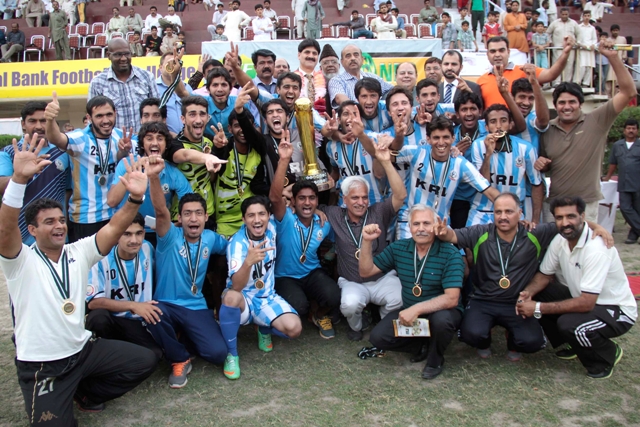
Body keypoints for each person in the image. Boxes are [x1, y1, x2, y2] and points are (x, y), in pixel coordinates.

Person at [0, 138, 157, 425]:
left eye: (61, 220)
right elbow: (5, 227)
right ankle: (62, 394)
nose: (59, 225)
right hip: (43, 365)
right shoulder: (19, 260)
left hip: (83, 352)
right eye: (49, 222)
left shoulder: (78, 251)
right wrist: (19, 181)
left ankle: (84, 394)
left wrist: (134, 199)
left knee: (144, 360)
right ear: (32, 230)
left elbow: (113, 228)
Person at [516, 197, 637, 379]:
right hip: (583, 298)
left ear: (582, 216)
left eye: (570, 216)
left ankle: (606, 355)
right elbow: (544, 275)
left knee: (571, 325)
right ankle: (570, 344)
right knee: (542, 291)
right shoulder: (560, 240)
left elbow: (587, 303)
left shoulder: (596, 248)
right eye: (559, 218)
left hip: (615, 309)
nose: (565, 223)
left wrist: (537, 308)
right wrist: (528, 294)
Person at [146, 160, 229, 388]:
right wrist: (153, 177)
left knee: (218, 353)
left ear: (205, 217)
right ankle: (180, 358)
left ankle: (185, 339)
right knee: (152, 314)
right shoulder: (169, 235)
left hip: (195, 306)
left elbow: (231, 245)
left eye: (198, 214)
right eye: (188, 214)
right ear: (179, 218)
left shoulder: (211, 238)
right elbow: (161, 211)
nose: (193, 219)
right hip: (166, 305)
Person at [537, 40, 637, 223]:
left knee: (584, 250)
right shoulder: (547, 129)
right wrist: (542, 164)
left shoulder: (597, 120)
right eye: (562, 102)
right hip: (554, 205)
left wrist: (613, 58)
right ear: (555, 105)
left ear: (580, 104)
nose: (567, 107)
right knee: (553, 252)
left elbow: (629, 92)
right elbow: (548, 165)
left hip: (586, 205)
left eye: (572, 102)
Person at [362, 205, 464, 379]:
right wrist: (366, 241)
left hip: (441, 311)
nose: (421, 228)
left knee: (441, 321)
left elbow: (452, 298)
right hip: (412, 310)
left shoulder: (450, 253)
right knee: (378, 338)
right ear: (409, 228)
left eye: (426, 223)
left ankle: (435, 360)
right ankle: (422, 344)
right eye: (416, 224)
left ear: (435, 226)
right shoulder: (399, 248)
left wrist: (416, 309)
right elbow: (366, 271)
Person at [321, 144, 406, 341]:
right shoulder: (334, 214)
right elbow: (310, 204)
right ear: (344, 199)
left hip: (381, 279)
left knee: (400, 297)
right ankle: (356, 327)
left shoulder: (378, 211)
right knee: (349, 305)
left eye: (364, 197)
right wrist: (317, 210)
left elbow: (400, 196)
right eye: (355, 198)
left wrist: (386, 162)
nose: (361, 202)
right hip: (352, 281)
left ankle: (384, 325)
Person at [219, 194, 302, 380]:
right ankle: (231, 354)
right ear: (243, 219)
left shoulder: (272, 227)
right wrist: (248, 263)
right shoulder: (236, 244)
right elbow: (236, 286)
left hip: (267, 298)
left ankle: (263, 327)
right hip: (243, 299)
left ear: (268, 215)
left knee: (294, 329)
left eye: (261, 214)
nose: (257, 220)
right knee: (230, 298)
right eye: (251, 216)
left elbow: (281, 202)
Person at [268, 136, 339, 339]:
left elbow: (334, 245)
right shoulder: (286, 218)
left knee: (334, 296)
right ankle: (304, 309)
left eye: (311, 198)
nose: (307, 203)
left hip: (311, 272)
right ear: (294, 201)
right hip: (285, 276)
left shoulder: (323, 223)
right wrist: (284, 160)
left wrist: (329, 258)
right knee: (298, 306)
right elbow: (274, 198)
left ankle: (318, 315)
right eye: (302, 198)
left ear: (317, 200)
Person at [392, 116, 498, 240]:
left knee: (458, 258)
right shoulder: (416, 153)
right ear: (428, 139)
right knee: (406, 258)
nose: (441, 142)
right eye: (436, 137)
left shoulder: (461, 164)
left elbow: (490, 191)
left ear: (453, 138)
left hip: (440, 225)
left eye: (446, 137)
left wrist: (514, 210)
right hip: (409, 222)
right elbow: (387, 155)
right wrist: (394, 138)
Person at [45, 95, 133, 242]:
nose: (105, 120)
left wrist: (124, 151)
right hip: (87, 218)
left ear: (115, 113)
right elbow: (56, 138)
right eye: (99, 116)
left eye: (109, 114)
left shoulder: (121, 136)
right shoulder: (81, 138)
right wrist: (50, 119)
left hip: (116, 215)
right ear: (89, 117)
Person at [85, 212, 163, 362]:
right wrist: (133, 305)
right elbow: (93, 302)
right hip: (112, 319)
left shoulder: (147, 249)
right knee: (98, 318)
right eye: (126, 234)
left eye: (139, 233)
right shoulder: (101, 259)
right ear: (116, 236)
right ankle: (102, 353)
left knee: (156, 354)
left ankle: (122, 351)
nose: (134, 240)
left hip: (137, 322)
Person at [107, 122, 192, 247]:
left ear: (166, 145)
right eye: (149, 138)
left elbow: (190, 204)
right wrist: (132, 171)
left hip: (159, 233)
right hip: (127, 230)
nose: (155, 143)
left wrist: (174, 225)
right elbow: (112, 201)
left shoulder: (172, 172)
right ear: (142, 143)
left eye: (160, 138)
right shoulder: (126, 164)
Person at [0, 102, 70, 246]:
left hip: (57, 235)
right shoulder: (9, 152)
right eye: (32, 121)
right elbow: (1, 185)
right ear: (23, 124)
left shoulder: (63, 152)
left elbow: (69, 192)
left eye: (43, 120)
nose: (39, 126)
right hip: (20, 236)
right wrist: (21, 176)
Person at [476, 36, 574, 109]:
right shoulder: (481, 80)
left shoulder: (524, 70)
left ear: (508, 52)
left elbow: (551, 75)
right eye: (493, 51)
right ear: (487, 54)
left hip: (520, 130)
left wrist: (565, 53)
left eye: (501, 50)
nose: (497, 55)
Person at [89, 38, 159, 132]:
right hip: (114, 143)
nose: (123, 58)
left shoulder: (147, 77)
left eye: (127, 54)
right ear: (109, 55)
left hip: (144, 142)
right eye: (118, 54)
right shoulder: (97, 83)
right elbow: (93, 119)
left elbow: (158, 112)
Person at [603, 119, 640, 244]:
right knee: (625, 208)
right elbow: (613, 163)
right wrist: (608, 177)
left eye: (633, 128)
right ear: (624, 130)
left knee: (638, 209)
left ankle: (633, 235)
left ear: (637, 130)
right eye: (628, 128)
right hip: (624, 183)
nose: (631, 131)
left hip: (638, 183)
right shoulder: (617, 145)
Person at [329, 44, 394, 108]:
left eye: (356, 55)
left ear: (362, 59)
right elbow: (339, 98)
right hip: (352, 116)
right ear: (342, 62)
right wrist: (363, 109)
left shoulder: (374, 78)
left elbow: (393, 90)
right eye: (348, 56)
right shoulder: (337, 81)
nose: (353, 58)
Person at [546, 8, 580, 87]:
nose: (564, 16)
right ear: (560, 14)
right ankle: (556, 82)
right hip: (558, 48)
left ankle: (567, 82)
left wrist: (577, 43)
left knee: (569, 64)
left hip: (570, 48)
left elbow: (579, 34)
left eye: (566, 14)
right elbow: (548, 33)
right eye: (563, 14)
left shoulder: (573, 23)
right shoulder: (555, 23)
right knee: (557, 64)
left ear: (568, 14)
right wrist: (550, 42)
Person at [294, 39, 326, 107]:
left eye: (314, 53)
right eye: (307, 52)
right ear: (299, 55)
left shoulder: (324, 79)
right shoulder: (290, 79)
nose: (311, 56)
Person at [573, 11, 597, 87]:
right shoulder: (579, 27)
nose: (587, 17)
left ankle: (586, 83)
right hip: (582, 49)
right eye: (585, 16)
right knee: (581, 66)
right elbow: (576, 38)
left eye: (588, 16)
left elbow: (594, 39)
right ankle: (577, 82)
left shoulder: (592, 28)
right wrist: (580, 45)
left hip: (590, 49)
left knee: (589, 66)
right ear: (582, 17)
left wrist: (593, 45)